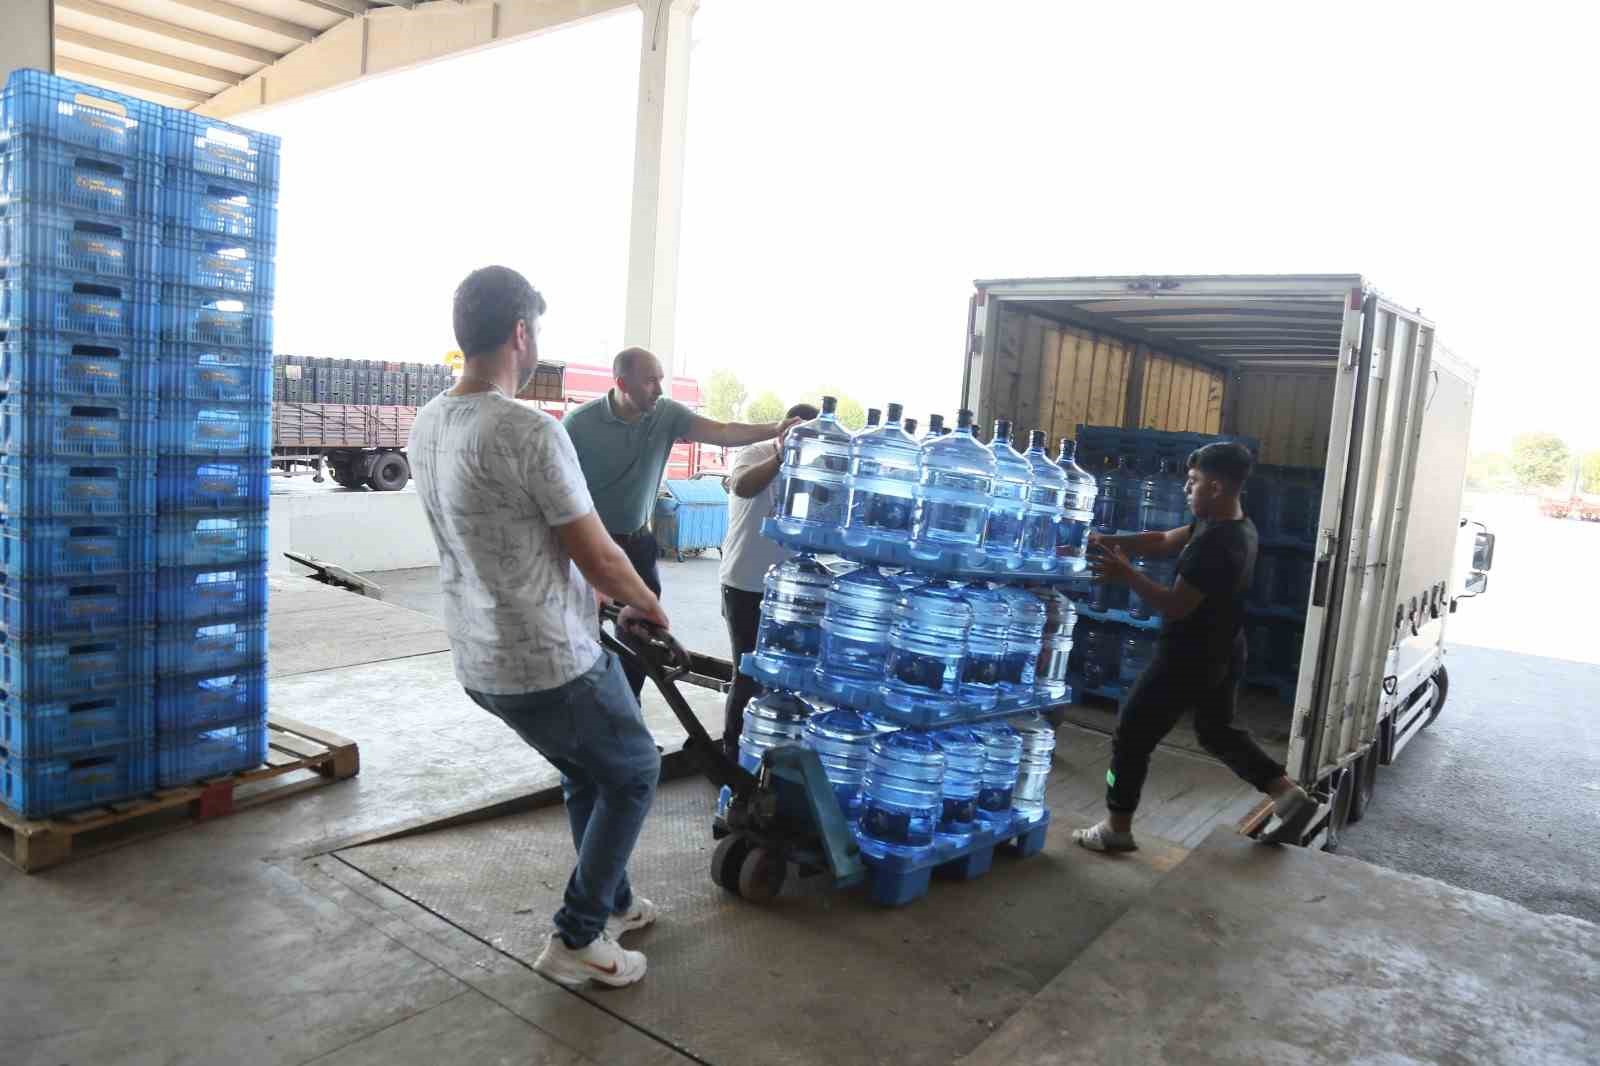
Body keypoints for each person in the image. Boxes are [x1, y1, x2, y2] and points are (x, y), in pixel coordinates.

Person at [409, 266, 667, 989]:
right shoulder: (528, 430)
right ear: (521, 334)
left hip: (479, 660)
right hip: (549, 660)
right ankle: (578, 934)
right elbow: (598, 551)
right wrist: (646, 601)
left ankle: (613, 899)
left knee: (590, 770)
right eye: (538, 331)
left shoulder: (428, 421)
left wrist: (610, 598)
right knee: (637, 770)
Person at [1075, 441, 1316, 853]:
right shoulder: (1231, 524)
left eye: (1193, 482)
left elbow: (1176, 604)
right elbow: (1166, 538)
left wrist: (1124, 573)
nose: (1187, 489)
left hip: (1188, 656)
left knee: (1131, 734)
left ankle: (1116, 826)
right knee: (1217, 731)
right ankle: (1289, 795)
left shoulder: (1215, 546)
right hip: (1224, 647)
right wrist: (1109, 540)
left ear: (1217, 486)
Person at [553, 347, 804, 699]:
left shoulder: (665, 414)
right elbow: (555, 491)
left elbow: (723, 430)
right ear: (622, 383)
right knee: (582, 636)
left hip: (637, 544)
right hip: (589, 545)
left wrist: (775, 428)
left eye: (661, 379)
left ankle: (629, 714)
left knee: (642, 636)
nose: (659, 388)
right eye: (651, 380)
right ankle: (585, 717)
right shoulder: (579, 424)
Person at [717, 401, 820, 757]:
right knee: (747, 673)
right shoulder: (753, 454)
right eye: (801, 435)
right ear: (784, 431)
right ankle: (733, 756)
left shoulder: (815, 466)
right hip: (745, 583)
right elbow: (742, 487)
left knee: (786, 677)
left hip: (792, 590)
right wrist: (781, 457)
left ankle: (772, 753)